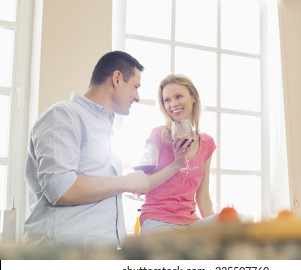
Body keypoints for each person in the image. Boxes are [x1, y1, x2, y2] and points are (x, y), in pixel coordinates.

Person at [23, 51, 188, 248]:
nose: (137, 97)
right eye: (135, 86)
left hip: (99, 253)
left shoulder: (106, 128)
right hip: (63, 254)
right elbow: (61, 189)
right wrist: (126, 182)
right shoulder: (62, 116)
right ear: (117, 78)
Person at [139, 74, 217, 233]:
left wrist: (216, 231)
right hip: (157, 219)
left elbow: (203, 197)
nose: (173, 104)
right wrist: (176, 164)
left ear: (193, 98)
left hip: (190, 223)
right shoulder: (158, 135)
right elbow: (142, 186)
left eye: (178, 96)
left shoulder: (207, 143)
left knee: (238, 220)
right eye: (167, 100)